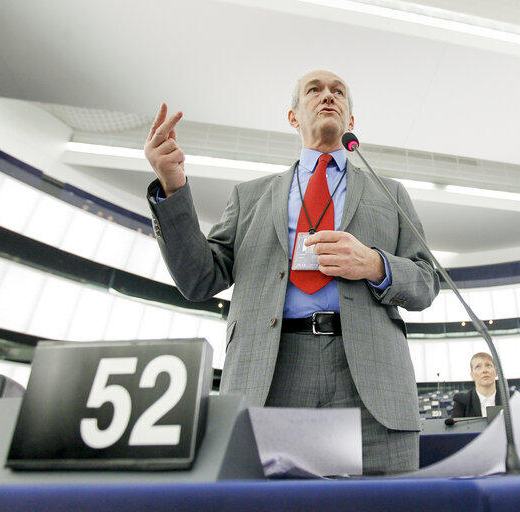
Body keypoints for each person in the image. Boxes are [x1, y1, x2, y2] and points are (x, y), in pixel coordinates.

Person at [143, 70, 439, 474]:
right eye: (314, 91)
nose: (328, 96)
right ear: (292, 116)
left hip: (370, 376)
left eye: (339, 92)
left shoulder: (390, 193)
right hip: (271, 369)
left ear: (351, 122)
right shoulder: (248, 197)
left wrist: (375, 264)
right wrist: (173, 187)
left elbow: (426, 283)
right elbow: (199, 279)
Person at [451, 352, 501, 418]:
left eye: (488, 365)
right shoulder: (462, 402)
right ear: (472, 375)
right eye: (478, 367)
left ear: (496, 372)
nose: (484, 370)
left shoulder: (511, 398)